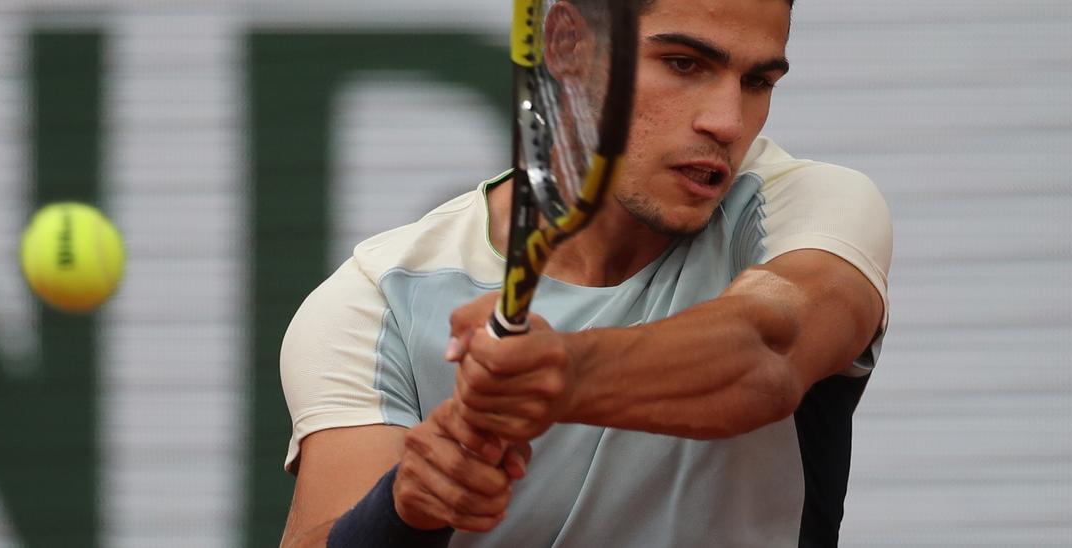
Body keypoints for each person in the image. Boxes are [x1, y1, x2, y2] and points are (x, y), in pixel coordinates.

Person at [279, 0, 891, 545]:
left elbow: (768, 349)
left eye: (756, 80)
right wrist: (404, 509)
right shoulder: (377, 298)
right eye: (683, 64)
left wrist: (565, 373)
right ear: (568, 43)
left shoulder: (807, 209)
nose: (727, 123)